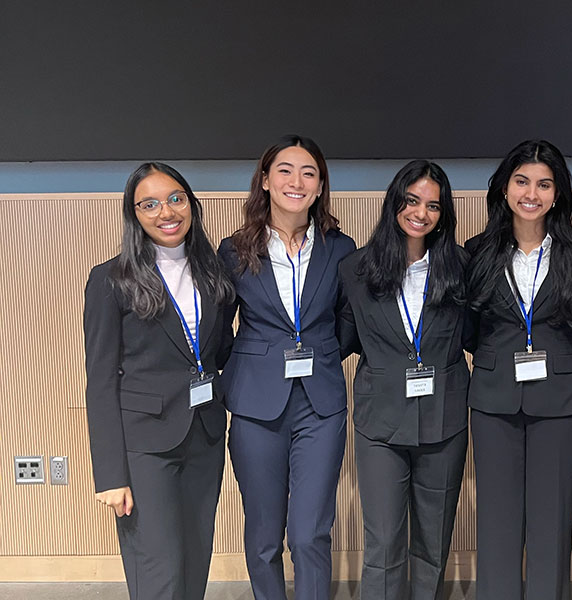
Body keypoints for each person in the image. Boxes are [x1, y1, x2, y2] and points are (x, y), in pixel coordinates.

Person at [83, 162, 234, 599]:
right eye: (148, 204)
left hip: (204, 435)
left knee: (193, 562)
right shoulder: (110, 280)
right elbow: (99, 380)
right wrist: (110, 475)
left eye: (175, 199)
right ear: (134, 215)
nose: (166, 212)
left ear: (190, 203)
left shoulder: (214, 273)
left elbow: (219, 350)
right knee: (158, 569)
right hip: (145, 446)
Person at [217, 134, 356, 600]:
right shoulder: (233, 250)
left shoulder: (341, 248)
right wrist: (249, 361)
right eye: (285, 170)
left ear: (320, 187)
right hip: (257, 405)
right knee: (263, 538)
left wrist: (321, 352)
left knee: (309, 533)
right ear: (265, 180)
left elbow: (347, 321)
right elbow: (219, 327)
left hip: (321, 405)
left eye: (308, 173)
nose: (296, 181)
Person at [465, 139, 572, 600]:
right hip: (493, 398)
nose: (532, 193)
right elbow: (469, 329)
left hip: (560, 400)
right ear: (505, 187)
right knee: (497, 518)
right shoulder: (478, 250)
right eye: (522, 181)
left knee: (552, 518)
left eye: (544, 184)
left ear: (558, 193)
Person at [337, 159, 469, 600]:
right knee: (383, 546)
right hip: (381, 424)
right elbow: (344, 339)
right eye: (412, 200)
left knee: (433, 543)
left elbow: (477, 335)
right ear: (395, 202)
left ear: (443, 214)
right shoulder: (355, 269)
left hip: (444, 421)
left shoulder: (461, 267)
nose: (421, 213)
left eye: (433, 205)